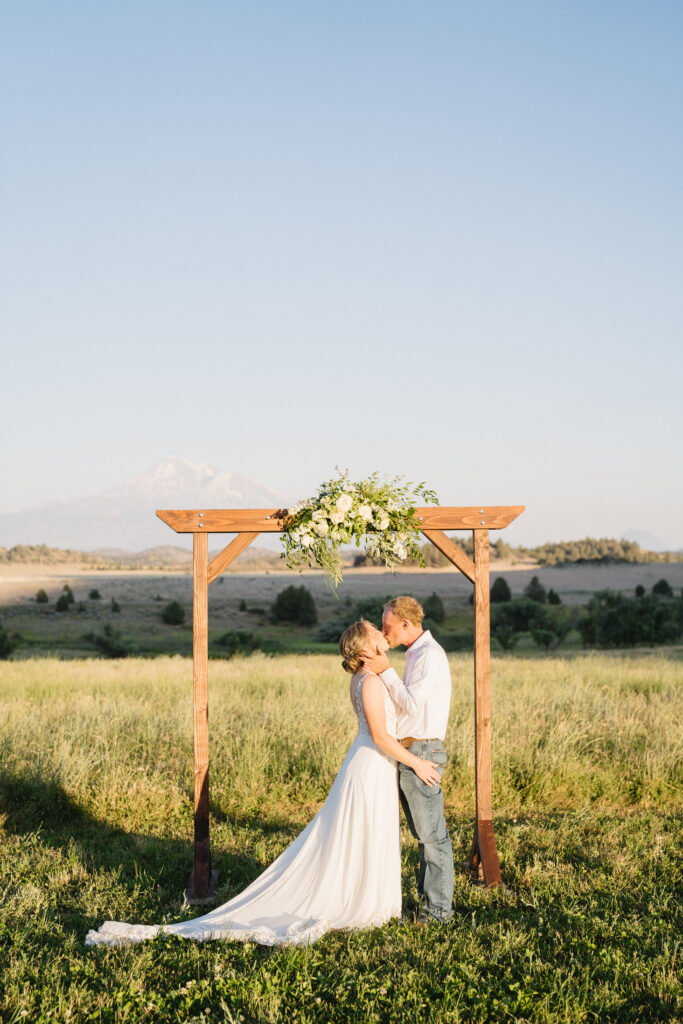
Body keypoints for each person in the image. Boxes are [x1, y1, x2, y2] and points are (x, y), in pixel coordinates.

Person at [85, 620, 441, 948]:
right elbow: (380, 736)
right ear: (367, 647)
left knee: (363, 835)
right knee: (359, 834)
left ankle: (364, 893)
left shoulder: (370, 677)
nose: (382, 633)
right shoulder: (372, 680)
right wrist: (418, 763)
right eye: (375, 632)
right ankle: (357, 900)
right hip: (371, 764)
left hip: (372, 765)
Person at [362, 596, 454, 925]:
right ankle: (428, 904)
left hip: (422, 751)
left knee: (433, 837)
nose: (384, 632)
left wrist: (386, 672)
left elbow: (412, 706)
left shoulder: (430, 656)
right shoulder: (415, 654)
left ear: (405, 623)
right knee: (423, 836)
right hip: (409, 750)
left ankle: (438, 914)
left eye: (387, 626)